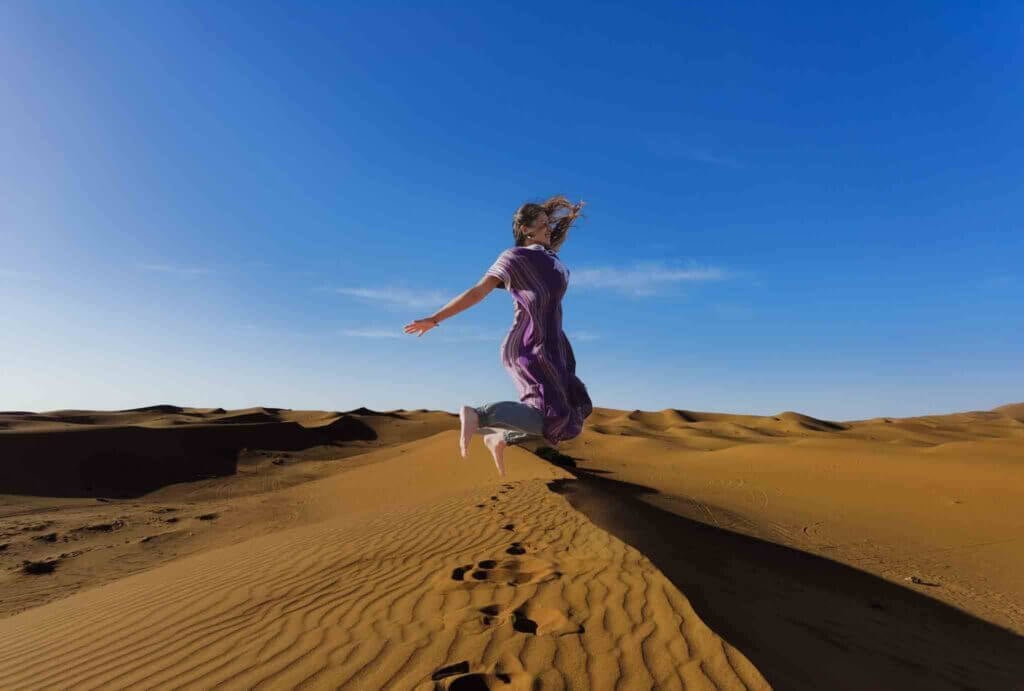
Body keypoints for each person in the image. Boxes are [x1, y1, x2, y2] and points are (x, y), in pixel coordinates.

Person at [403, 195, 593, 476]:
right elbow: (479, 291)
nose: (548, 228)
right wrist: (435, 318)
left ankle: (499, 438)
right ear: (526, 230)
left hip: (555, 346)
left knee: (574, 414)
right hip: (529, 342)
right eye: (542, 224)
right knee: (554, 415)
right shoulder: (514, 257)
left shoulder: (551, 258)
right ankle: (477, 414)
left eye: (548, 223)